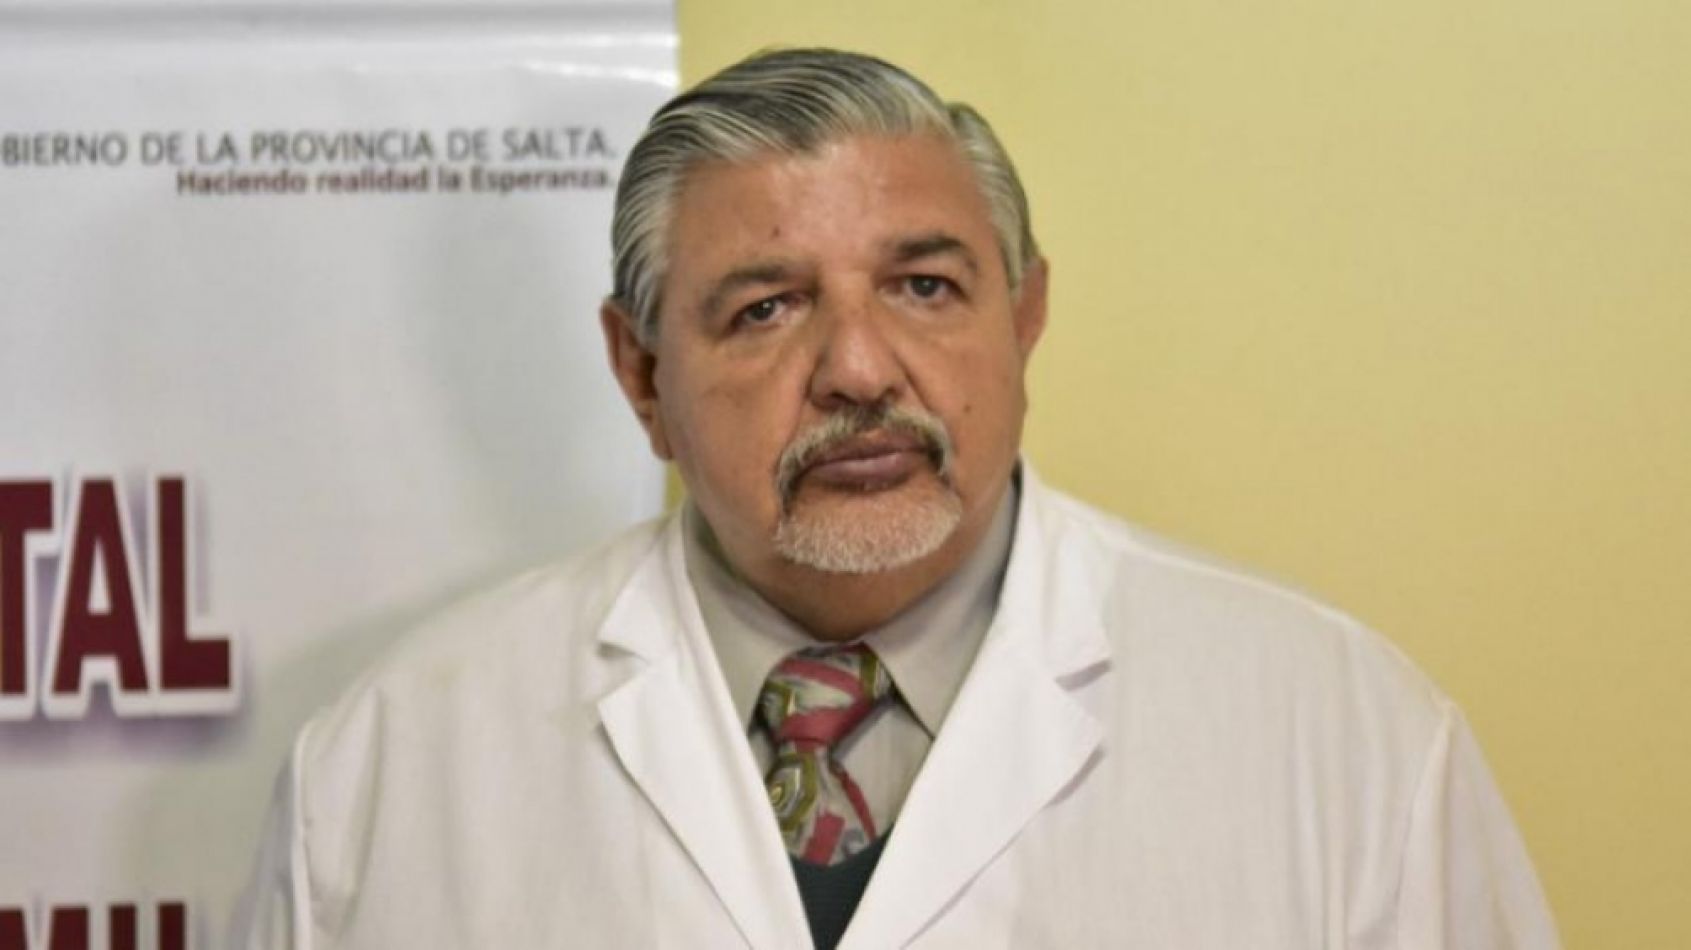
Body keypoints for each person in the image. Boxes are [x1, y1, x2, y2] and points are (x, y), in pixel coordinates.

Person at [233, 48, 1559, 949]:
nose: (860, 369)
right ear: (642, 374)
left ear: (1023, 317)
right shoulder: (389, 766)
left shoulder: (1346, 738)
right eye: (766, 308)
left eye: (925, 287)